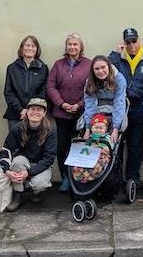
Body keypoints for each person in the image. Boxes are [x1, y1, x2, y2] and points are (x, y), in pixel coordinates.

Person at [108, 28, 143, 187]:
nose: (131, 45)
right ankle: (114, 176)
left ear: (139, 41)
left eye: (133, 41)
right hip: (120, 106)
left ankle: (132, 178)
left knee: (135, 145)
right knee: (117, 143)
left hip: (138, 108)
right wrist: (116, 54)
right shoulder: (117, 59)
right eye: (128, 42)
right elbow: (105, 70)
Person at [46, 33, 89, 193]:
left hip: (81, 113)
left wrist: (79, 105)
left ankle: (78, 177)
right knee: (63, 145)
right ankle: (65, 177)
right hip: (61, 113)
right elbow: (50, 86)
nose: (72, 47)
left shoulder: (89, 64)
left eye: (75, 44)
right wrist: (62, 104)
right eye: (69, 44)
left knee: (80, 144)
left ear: (80, 47)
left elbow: (92, 89)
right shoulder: (58, 65)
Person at [0, 97, 57, 212]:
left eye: (39, 110)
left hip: (41, 165)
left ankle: (37, 192)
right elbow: (5, 152)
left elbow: (49, 159)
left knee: (40, 184)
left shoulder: (51, 131)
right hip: (22, 163)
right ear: (27, 111)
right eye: (32, 109)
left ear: (44, 113)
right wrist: (7, 171)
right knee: (18, 161)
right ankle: (18, 194)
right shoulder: (17, 128)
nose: (35, 112)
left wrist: (28, 173)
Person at [3, 36, 49, 135]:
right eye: (27, 45)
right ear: (22, 48)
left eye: (33, 46)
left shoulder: (43, 68)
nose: (30, 48)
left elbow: (44, 91)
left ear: (37, 49)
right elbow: (8, 92)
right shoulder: (12, 68)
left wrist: (31, 110)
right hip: (15, 114)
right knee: (15, 143)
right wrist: (21, 110)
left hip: (35, 114)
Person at [82, 55, 127, 143]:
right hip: (97, 112)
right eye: (97, 69)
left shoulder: (119, 79)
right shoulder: (90, 81)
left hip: (114, 111)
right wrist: (87, 128)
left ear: (109, 67)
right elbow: (89, 104)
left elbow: (119, 103)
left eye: (103, 67)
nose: (100, 71)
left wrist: (116, 128)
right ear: (93, 70)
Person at [70, 114, 113, 184]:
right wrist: (80, 143)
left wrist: (100, 148)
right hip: (89, 156)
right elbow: (84, 147)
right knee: (78, 163)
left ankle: (90, 176)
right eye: (96, 127)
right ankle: (80, 175)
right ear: (91, 128)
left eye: (101, 128)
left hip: (101, 156)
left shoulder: (107, 137)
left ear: (106, 129)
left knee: (97, 164)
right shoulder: (89, 137)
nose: (98, 130)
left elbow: (109, 148)